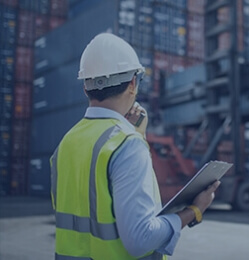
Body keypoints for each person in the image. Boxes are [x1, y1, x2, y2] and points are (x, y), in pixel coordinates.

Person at [50, 33, 220, 260]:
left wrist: (135, 134)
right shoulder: (127, 145)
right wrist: (194, 211)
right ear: (133, 84)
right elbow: (140, 240)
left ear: (85, 87)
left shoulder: (65, 144)